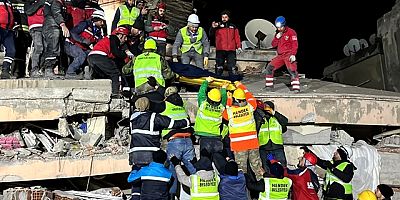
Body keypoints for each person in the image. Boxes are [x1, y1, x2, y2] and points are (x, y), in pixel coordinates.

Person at [128, 97, 190, 166]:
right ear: (149, 105)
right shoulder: (154, 117)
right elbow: (172, 124)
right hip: (151, 154)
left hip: (134, 155)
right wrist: (186, 121)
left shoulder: (132, 118)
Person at [159, 86, 196, 198]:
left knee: (173, 169)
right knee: (193, 168)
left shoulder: (164, 105)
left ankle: (172, 195)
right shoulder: (182, 103)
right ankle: (201, 189)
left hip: (174, 141)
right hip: (188, 140)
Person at [223, 81, 263, 178]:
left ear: (235, 99)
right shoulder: (250, 107)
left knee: (241, 172)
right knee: (258, 169)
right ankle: (263, 188)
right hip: (252, 144)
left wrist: (228, 99)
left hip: (239, 146)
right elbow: (250, 97)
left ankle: (245, 191)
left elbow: (225, 114)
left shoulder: (230, 111)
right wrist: (240, 85)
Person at [87, 26, 132, 96]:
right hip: (100, 56)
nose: (125, 40)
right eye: (125, 37)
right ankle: (116, 93)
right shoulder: (114, 38)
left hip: (91, 57)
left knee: (103, 74)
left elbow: (113, 55)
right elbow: (115, 52)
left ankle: (90, 73)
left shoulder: (107, 40)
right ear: (120, 35)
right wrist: (125, 57)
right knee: (115, 73)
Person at [64, 10, 105, 79]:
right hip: (71, 44)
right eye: (101, 21)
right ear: (96, 19)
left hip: (83, 48)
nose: (102, 23)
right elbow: (73, 33)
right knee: (81, 55)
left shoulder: (98, 31)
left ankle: (87, 73)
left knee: (92, 55)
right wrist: (82, 40)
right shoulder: (85, 24)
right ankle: (70, 72)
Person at [264, 16, 300, 92]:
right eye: (278, 28)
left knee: (292, 70)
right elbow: (273, 44)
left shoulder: (291, 32)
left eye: (280, 27)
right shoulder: (278, 33)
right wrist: (277, 38)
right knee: (269, 68)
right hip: (280, 56)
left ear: (284, 25)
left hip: (288, 55)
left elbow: (295, 44)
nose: (279, 29)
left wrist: (293, 54)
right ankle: (269, 86)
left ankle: (296, 88)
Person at [194, 77, 228, 155]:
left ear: (208, 97)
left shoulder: (203, 104)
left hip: (203, 135)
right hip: (216, 136)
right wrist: (223, 89)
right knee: (218, 160)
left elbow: (201, 93)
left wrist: (206, 81)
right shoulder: (221, 107)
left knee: (205, 161)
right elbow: (224, 99)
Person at [255, 100, 288, 172]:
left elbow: (285, 121)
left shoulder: (276, 119)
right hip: (264, 148)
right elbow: (255, 130)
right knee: (266, 169)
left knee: (282, 168)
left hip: (277, 148)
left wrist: (273, 113)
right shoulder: (260, 119)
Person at [42, 0, 69, 79]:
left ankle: (49, 70)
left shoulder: (53, 3)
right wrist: (63, 24)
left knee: (52, 48)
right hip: (52, 27)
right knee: (53, 48)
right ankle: (48, 70)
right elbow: (56, 13)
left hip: (51, 26)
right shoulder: (56, 2)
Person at [209, 10, 242, 76]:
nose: (224, 18)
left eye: (226, 17)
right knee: (219, 67)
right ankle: (218, 78)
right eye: (223, 17)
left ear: (229, 18)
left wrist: (239, 47)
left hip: (231, 50)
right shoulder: (217, 26)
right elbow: (210, 35)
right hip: (220, 49)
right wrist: (212, 28)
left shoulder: (233, 26)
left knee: (232, 67)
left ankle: (233, 80)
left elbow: (237, 37)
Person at [25, 0, 45, 78]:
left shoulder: (45, 3)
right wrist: (40, 3)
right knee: (39, 48)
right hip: (35, 27)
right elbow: (29, 11)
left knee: (47, 49)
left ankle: (41, 69)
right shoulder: (29, 2)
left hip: (46, 28)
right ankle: (34, 69)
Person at [0, 0, 16, 79]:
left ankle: (5, 70)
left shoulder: (9, 2)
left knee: (11, 50)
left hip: (8, 29)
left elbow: (11, 15)